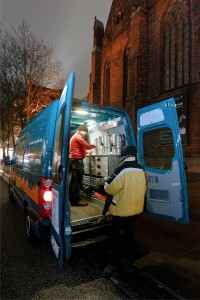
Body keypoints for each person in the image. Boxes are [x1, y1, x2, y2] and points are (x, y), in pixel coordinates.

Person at [97, 146, 147, 277]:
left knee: (115, 237)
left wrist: (105, 182)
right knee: (129, 236)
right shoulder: (140, 168)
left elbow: (109, 188)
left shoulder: (122, 168)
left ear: (124, 155)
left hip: (121, 210)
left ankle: (112, 266)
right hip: (135, 209)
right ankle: (128, 263)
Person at [69, 123, 95, 206]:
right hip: (77, 162)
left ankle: (72, 197)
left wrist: (87, 152)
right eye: (85, 132)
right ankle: (75, 200)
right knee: (77, 181)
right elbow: (86, 145)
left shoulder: (75, 137)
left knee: (74, 180)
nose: (86, 134)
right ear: (81, 130)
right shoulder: (78, 136)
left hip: (75, 161)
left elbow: (81, 149)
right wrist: (93, 147)